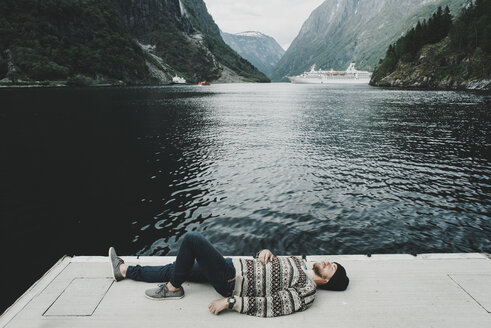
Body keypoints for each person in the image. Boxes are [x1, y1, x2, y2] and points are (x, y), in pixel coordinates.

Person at [109, 232, 349, 317]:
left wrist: (231, 302)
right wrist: (264, 253)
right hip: (233, 266)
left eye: (332, 267)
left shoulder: (307, 292)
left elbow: (272, 305)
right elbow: (268, 264)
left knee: (192, 240)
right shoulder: (300, 262)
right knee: (176, 268)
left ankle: (172, 290)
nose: (328, 262)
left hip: (231, 281)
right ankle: (124, 270)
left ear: (328, 280)